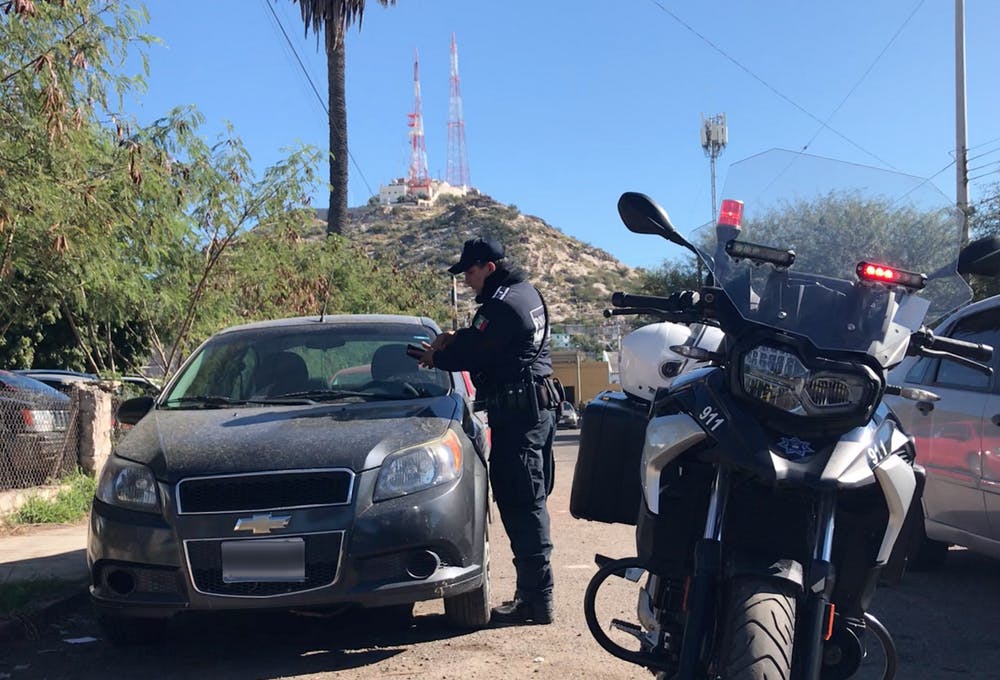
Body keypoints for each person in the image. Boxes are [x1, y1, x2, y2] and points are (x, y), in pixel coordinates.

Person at [408, 236, 559, 625]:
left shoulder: (502, 305)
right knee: (529, 500)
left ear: (489, 268)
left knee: (522, 503)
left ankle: (537, 600)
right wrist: (456, 338)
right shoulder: (525, 293)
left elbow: (476, 350)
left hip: (520, 416)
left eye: (471, 272)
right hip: (533, 411)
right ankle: (533, 595)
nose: (467, 280)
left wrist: (437, 356)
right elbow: (489, 341)